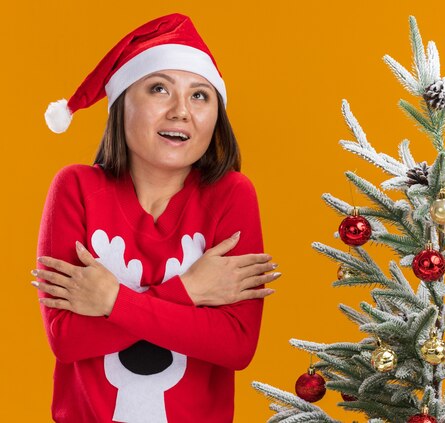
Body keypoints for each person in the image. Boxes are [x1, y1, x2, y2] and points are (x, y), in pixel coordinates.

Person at [31, 13, 279, 423]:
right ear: (121, 102)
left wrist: (110, 301)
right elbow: (67, 340)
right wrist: (191, 291)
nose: (181, 111)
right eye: (159, 88)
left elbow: (235, 346)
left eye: (200, 95)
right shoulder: (75, 188)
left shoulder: (232, 195)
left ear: (217, 115)